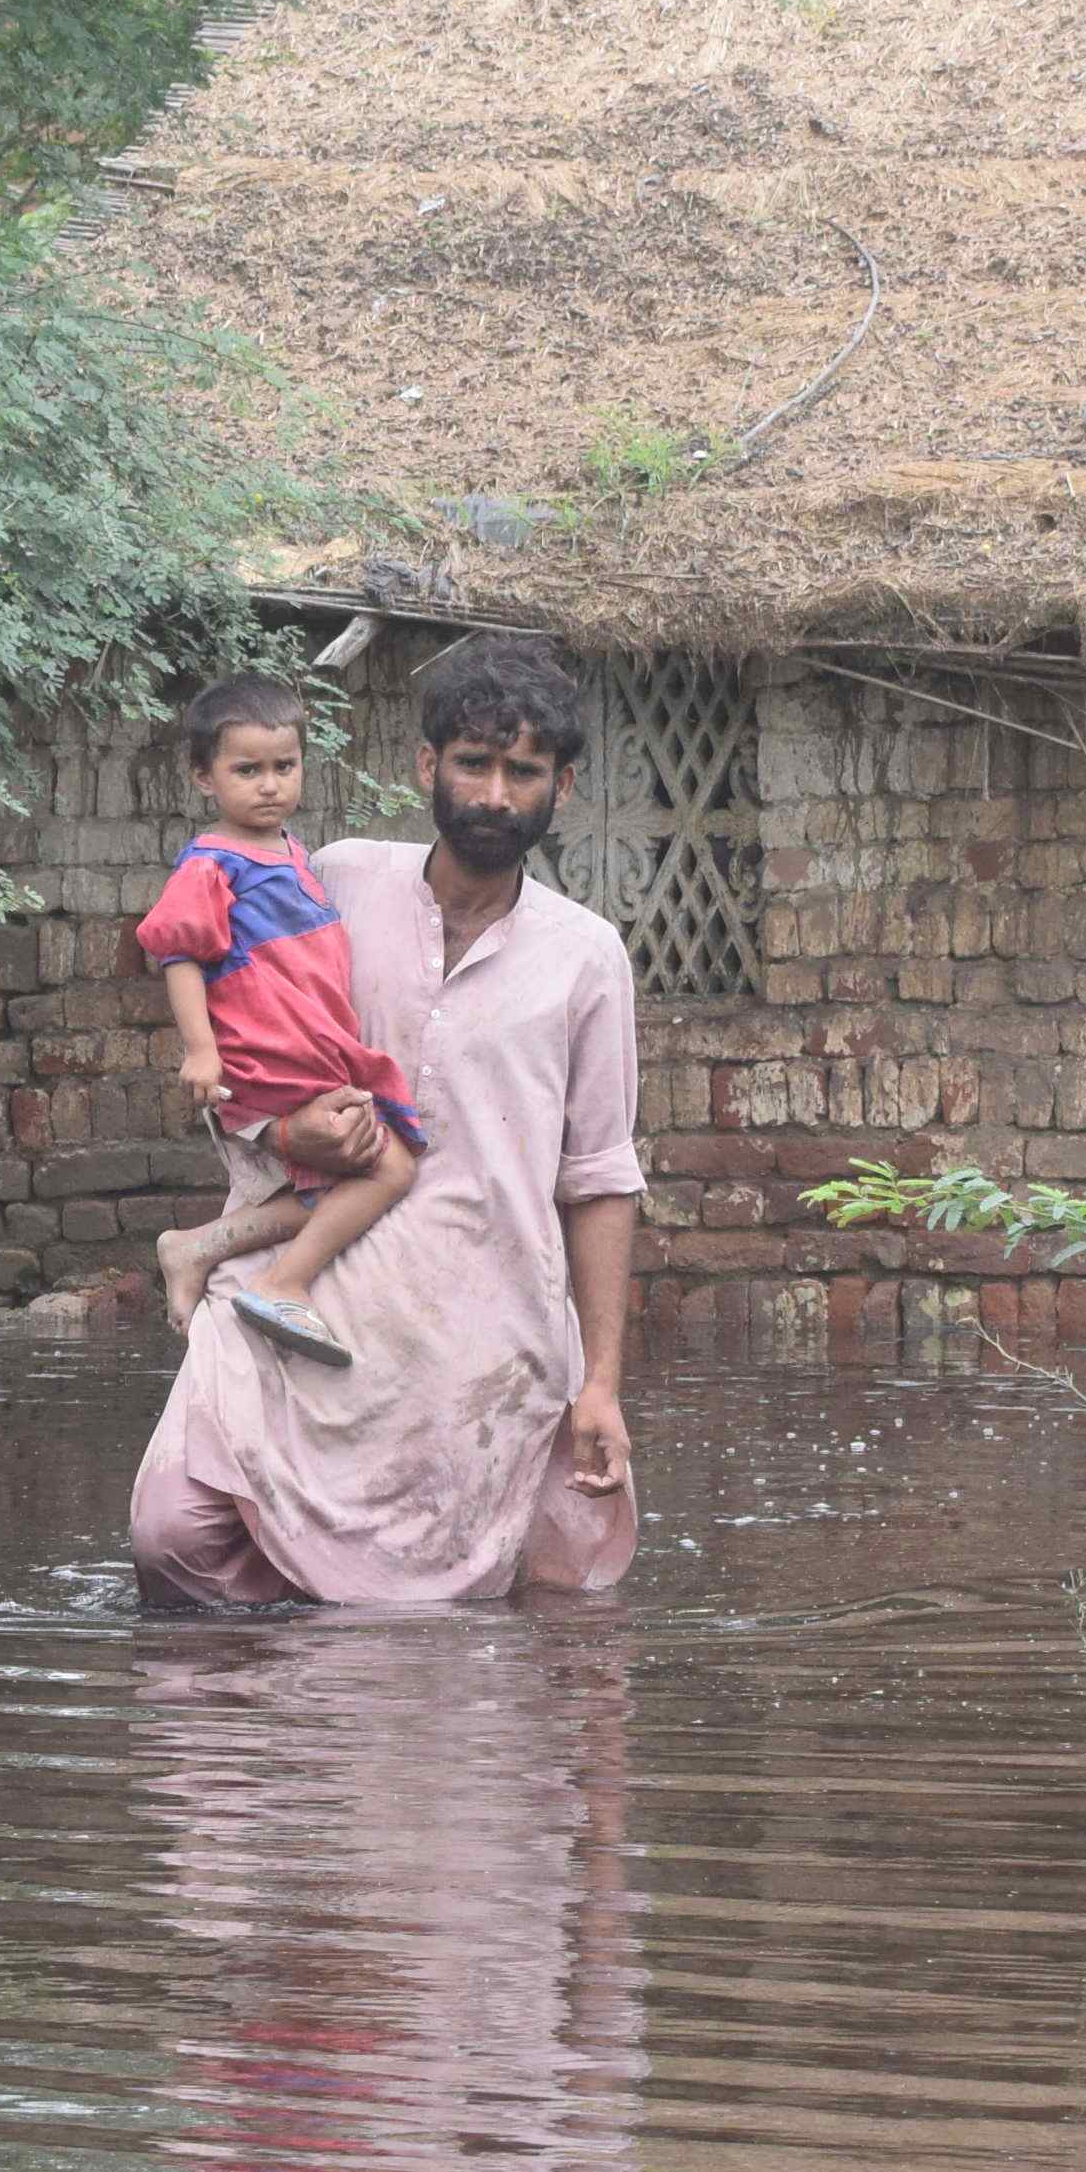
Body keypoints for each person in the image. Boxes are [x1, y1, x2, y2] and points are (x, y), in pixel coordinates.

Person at [127, 633, 644, 1609]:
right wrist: (282, 1137)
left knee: (489, 1601)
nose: (495, 794)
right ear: (426, 766)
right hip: (311, 1297)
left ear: (561, 787)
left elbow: (601, 1178)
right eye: (475, 764)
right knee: (174, 1535)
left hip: (482, 1333)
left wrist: (603, 1384)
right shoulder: (336, 878)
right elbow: (242, 1041)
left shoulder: (587, 957)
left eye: (523, 772)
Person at [134, 672, 424, 1365]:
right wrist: (200, 1050)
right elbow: (177, 952)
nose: (269, 785)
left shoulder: (294, 853)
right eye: (247, 770)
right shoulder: (211, 866)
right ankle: (281, 1282)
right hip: (268, 1063)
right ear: (204, 777)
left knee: (345, 1176)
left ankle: (195, 1249)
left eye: (284, 767)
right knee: (391, 1170)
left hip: (310, 1056)